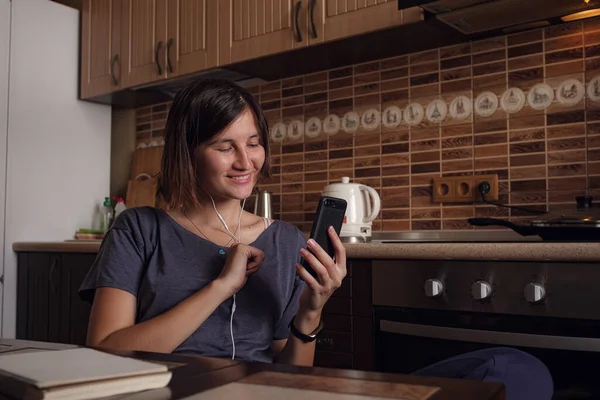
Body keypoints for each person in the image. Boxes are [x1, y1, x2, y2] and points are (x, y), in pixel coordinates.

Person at [79, 78, 553, 399]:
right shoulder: (140, 229)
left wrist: (312, 309)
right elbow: (107, 354)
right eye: (225, 146)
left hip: (268, 394)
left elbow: (294, 377)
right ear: (189, 152)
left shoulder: (284, 240)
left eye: (254, 142)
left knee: (517, 370)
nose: (246, 161)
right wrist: (220, 287)